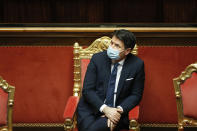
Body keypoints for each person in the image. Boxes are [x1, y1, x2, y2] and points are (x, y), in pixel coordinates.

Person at [77, 29, 145, 131]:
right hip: (92, 108)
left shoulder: (137, 65)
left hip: (117, 111)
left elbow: (136, 95)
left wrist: (117, 111)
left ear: (127, 51)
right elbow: (87, 90)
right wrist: (105, 109)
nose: (111, 47)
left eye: (117, 46)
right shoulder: (97, 59)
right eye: (112, 43)